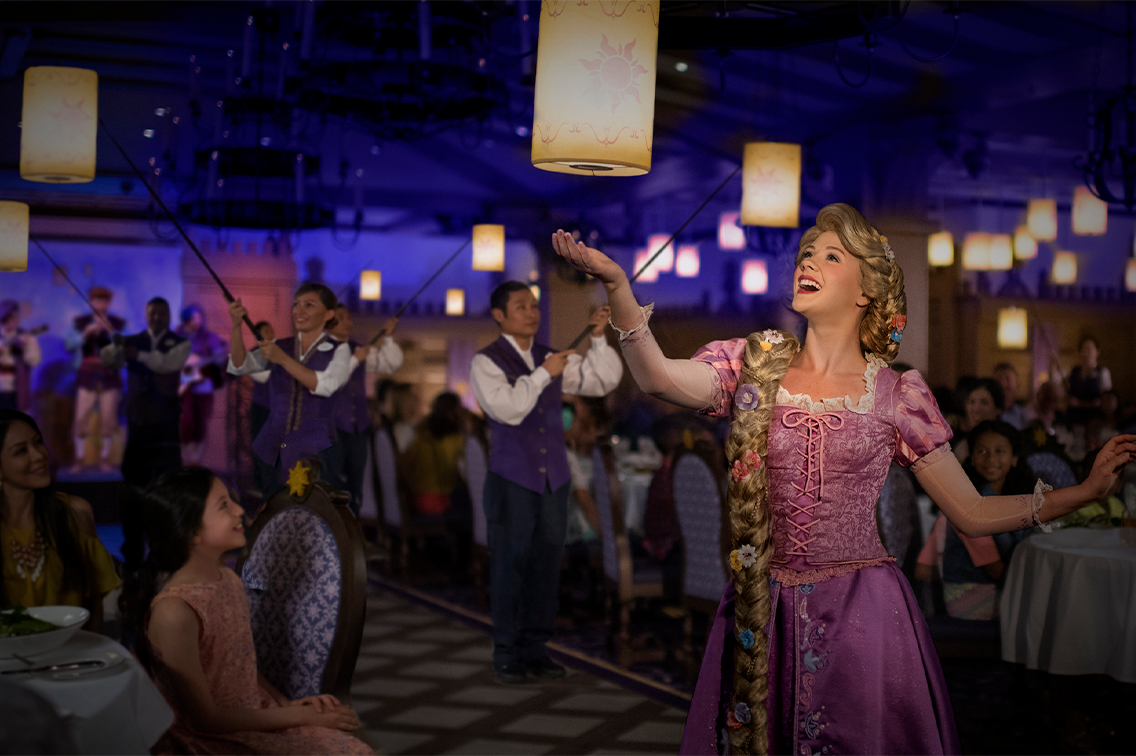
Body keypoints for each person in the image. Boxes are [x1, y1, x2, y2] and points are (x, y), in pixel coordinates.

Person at [551, 203, 1136, 756]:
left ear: (866, 291)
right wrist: (618, 287)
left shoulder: (897, 394)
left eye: (831, 255)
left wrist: (1081, 493)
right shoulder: (752, 364)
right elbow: (656, 378)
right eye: (808, 250)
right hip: (763, 610)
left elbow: (971, 513)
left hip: (864, 614)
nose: (809, 260)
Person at [119, 467, 372, 755]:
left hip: (254, 712)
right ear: (191, 533)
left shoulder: (227, 578)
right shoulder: (175, 612)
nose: (240, 510)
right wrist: (302, 717)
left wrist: (287, 704)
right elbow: (206, 720)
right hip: (204, 738)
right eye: (224, 505)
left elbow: (241, 666)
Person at [470, 282, 623, 685]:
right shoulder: (486, 362)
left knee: (546, 568)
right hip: (511, 480)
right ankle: (505, 653)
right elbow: (508, 409)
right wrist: (542, 375)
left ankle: (536, 649)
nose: (532, 312)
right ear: (499, 315)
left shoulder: (550, 357)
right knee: (508, 567)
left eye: (534, 305)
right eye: (521, 306)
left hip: (553, 479)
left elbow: (601, 382)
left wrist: (596, 338)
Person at [227, 284, 353, 502]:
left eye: (309, 305)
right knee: (274, 511)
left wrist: (282, 360)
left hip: (315, 448)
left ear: (328, 314)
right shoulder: (280, 346)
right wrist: (237, 326)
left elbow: (325, 385)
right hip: (272, 446)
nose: (299, 311)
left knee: (309, 510)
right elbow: (239, 365)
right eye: (296, 304)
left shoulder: (338, 350)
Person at [0, 410, 120, 633]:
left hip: (69, 658)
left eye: (38, 443)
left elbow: (94, 604)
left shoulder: (74, 512)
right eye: (20, 451)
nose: (38, 455)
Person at [915, 420, 1036, 620]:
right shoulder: (967, 505)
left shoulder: (1008, 498)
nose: (991, 459)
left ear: (1014, 458)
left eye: (1000, 451)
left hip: (994, 588)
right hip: (969, 596)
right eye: (982, 451)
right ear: (971, 458)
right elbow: (995, 570)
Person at [101, 297, 191, 488]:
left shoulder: (181, 343)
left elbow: (167, 364)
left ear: (168, 316)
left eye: (161, 313)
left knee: (168, 475)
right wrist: (115, 348)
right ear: (147, 316)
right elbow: (110, 362)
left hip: (166, 417)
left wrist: (137, 354)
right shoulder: (131, 341)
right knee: (134, 473)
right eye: (153, 313)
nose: (157, 317)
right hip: (137, 416)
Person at [328, 306, 402, 517]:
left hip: (358, 426)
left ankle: (354, 527)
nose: (347, 321)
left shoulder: (357, 348)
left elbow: (389, 364)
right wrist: (354, 361)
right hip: (332, 427)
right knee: (332, 480)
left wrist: (387, 338)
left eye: (348, 317)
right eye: (340, 318)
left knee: (357, 481)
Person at [65, 287, 127, 472]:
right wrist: (85, 334)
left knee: (108, 419)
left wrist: (111, 332)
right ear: (91, 302)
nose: (100, 304)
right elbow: (68, 344)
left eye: (104, 300)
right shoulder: (80, 322)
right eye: (96, 300)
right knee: (81, 417)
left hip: (109, 375)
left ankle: (104, 458)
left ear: (108, 303)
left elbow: (128, 345)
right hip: (87, 373)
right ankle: (79, 458)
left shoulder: (118, 322)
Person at [177, 305, 229, 465]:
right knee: (186, 422)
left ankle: (196, 460)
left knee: (201, 422)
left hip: (203, 386)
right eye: (194, 318)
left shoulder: (208, 337)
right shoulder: (176, 335)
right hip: (184, 386)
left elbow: (220, 356)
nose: (198, 321)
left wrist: (218, 357)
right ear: (186, 320)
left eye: (199, 317)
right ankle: (186, 455)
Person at [403, 391, 466, 516]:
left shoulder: (420, 437)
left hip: (415, 500)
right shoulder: (457, 441)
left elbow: (405, 466)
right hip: (441, 503)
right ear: (451, 414)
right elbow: (466, 472)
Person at [0, 300, 42, 413]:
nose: (16, 319)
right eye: (12, 316)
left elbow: (34, 361)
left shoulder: (25, 335)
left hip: (17, 391)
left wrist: (26, 346)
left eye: (17, 315)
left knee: (15, 423)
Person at [951, 377, 1004, 462]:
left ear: (997, 410)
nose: (976, 409)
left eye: (984, 402)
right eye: (972, 402)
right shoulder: (959, 445)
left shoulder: (1006, 445)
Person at [1067, 335, 1112, 427]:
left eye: (1090, 349)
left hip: (1094, 420)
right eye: (1084, 349)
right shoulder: (1074, 371)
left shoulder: (1103, 372)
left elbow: (1105, 402)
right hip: (1074, 419)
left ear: (1097, 352)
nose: (1087, 353)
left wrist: (1080, 403)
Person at [993, 362, 1032, 430]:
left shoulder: (1024, 416)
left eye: (1007, 379)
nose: (1003, 384)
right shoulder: (987, 414)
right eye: (998, 379)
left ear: (1017, 384)